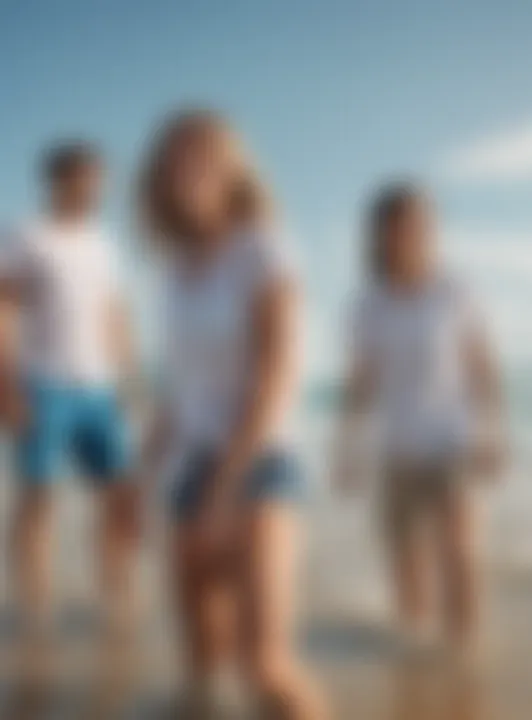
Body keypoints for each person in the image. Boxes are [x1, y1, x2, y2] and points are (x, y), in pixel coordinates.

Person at [137, 110, 326, 718]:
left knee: (265, 666)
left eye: (204, 160)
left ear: (233, 171)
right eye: (175, 164)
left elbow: (276, 373)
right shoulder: (173, 272)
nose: (189, 174)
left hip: (261, 462)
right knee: (201, 667)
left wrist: (229, 484)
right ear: (159, 182)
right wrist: (138, 477)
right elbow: (178, 390)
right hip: (192, 469)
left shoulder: (262, 248)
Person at [335, 183, 506, 658]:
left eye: (421, 224)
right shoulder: (366, 304)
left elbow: (483, 367)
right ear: (381, 234)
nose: (411, 234)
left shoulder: (456, 290)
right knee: (405, 561)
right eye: (400, 224)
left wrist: (494, 433)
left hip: (453, 440)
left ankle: (465, 656)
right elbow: (360, 385)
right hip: (396, 448)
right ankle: (417, 658)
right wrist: (346, 448)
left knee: (461, 555)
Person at [0, 142, 139, 637]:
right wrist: (7, 387)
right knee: (39, 497)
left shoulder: (103, 242)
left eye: (99, 179)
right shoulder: (26, 236)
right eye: (85, 178)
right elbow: (4, 310)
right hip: (43, 384)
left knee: (120, 495)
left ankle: (115, 599)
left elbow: (114, 312)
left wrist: (129, 378)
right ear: (57, 181)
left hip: (100, 388)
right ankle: (34, 608)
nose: (96, 189)